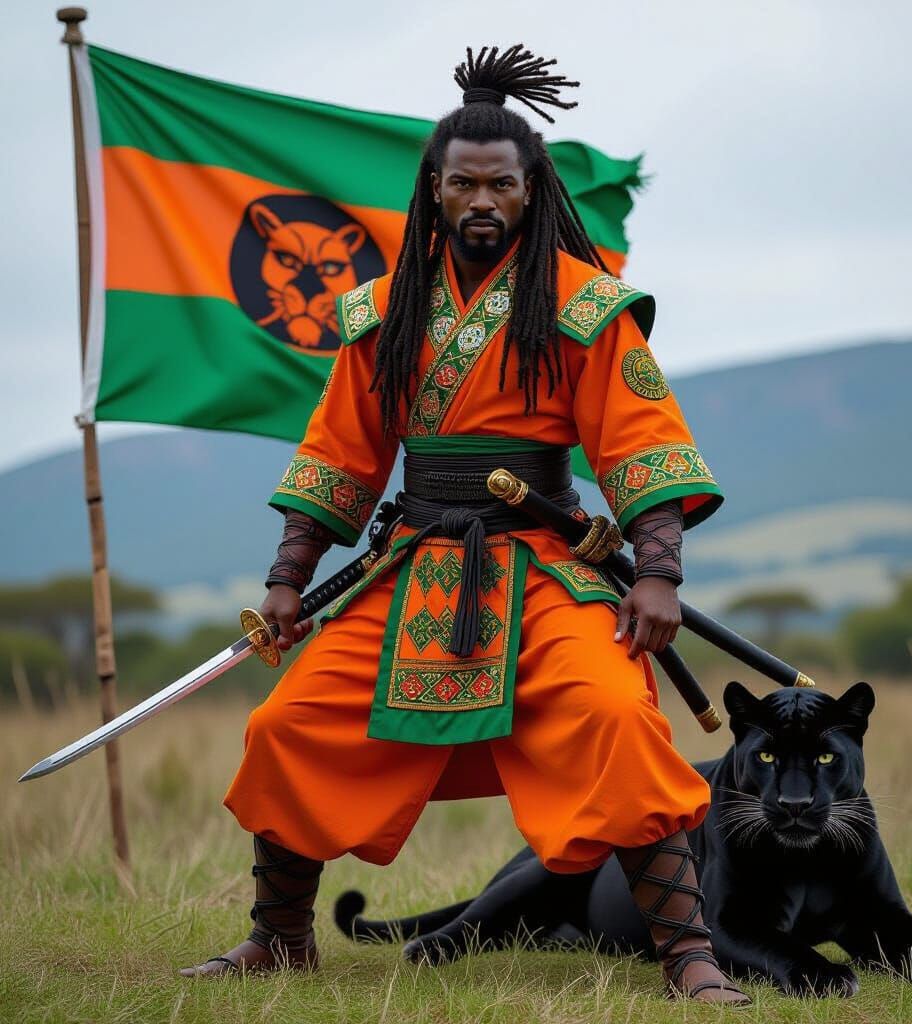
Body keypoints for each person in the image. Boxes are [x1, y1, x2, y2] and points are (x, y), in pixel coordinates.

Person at [180, 45, 748, 1006]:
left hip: (544, 562)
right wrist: (287, 580)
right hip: (411, 566)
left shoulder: (586, 305)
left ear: (531, 192)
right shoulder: (384, 314)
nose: (482, 201)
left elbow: (643, 444)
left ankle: (689, 957)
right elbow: (338, 456)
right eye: (462, 184)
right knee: (288, 721)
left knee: (615, 716)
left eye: (501, 185)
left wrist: (658, 573)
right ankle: (278, 939)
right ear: (432, 191)